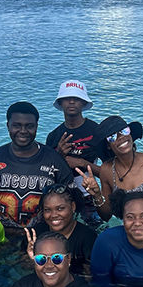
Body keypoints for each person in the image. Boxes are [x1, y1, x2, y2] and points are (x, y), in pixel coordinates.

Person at [0, 101, 74, 231]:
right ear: (8, 126)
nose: (23, 131)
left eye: (29, 126)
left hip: (43, 235)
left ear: (36, 127)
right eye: (17, 125)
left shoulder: (54, 160)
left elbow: (71, 201)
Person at [79, 115, 143, 223]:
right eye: (112, 137)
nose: (120, 137)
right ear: (108, 145)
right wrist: (96, 195)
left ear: (130, 134)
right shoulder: (107, 170)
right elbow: (106, 216)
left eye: (124, 131)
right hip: (130, 230)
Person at [45, 80, 101, 223]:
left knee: (96, 230)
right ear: (60, 102)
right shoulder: (53, 136)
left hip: (89, 195)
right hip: (62, 197)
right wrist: (59, 156)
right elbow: (47, 172)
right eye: (67, 98)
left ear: (83, 102)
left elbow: (111, 172)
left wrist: (81, 163)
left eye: (76, 98)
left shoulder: (96, 132)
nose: (71, 102)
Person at [31, 184, 96, 276]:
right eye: (47, 210)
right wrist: (32, 259)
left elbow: (92, 275)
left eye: (60, 209)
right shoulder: (35, 233)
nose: (54, 215)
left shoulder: (88, 238)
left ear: (73, 206)